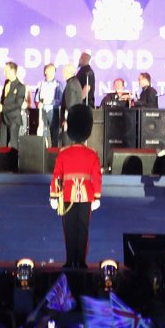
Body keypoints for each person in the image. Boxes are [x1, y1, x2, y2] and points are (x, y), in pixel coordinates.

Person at [50, 103, 102, 269]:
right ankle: (80, 261)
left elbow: (57, 175)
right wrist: (97, 196)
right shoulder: (92, 154)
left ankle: (70, 260)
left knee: (69, 230)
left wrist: (53, 194)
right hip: (87, 195)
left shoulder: (63, 153)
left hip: (67, 194)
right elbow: (97, 177)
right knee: (83, 230)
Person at [0, 61, 27, 147]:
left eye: (6, 71)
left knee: (13, 144)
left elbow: (18, 104)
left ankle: (14, 160)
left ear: (12, 71)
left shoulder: (20, 87)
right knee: (2, 144)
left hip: (14, 119)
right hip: (4, 119)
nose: (4, 73)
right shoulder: (6, 83)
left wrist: (3, 108)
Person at [35, 63, 61, 143]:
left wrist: (49, 102)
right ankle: (44, 150)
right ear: (45, 71)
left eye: (53, 71)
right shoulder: (40, 83)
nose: (52, 73)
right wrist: (37, 103)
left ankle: (54, 152)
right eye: (50, 70)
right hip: (42, 111)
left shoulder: (58, 84)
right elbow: (36, 97)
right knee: (42, 132)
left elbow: (60, 99)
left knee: (54, 134)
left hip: (53, 111)